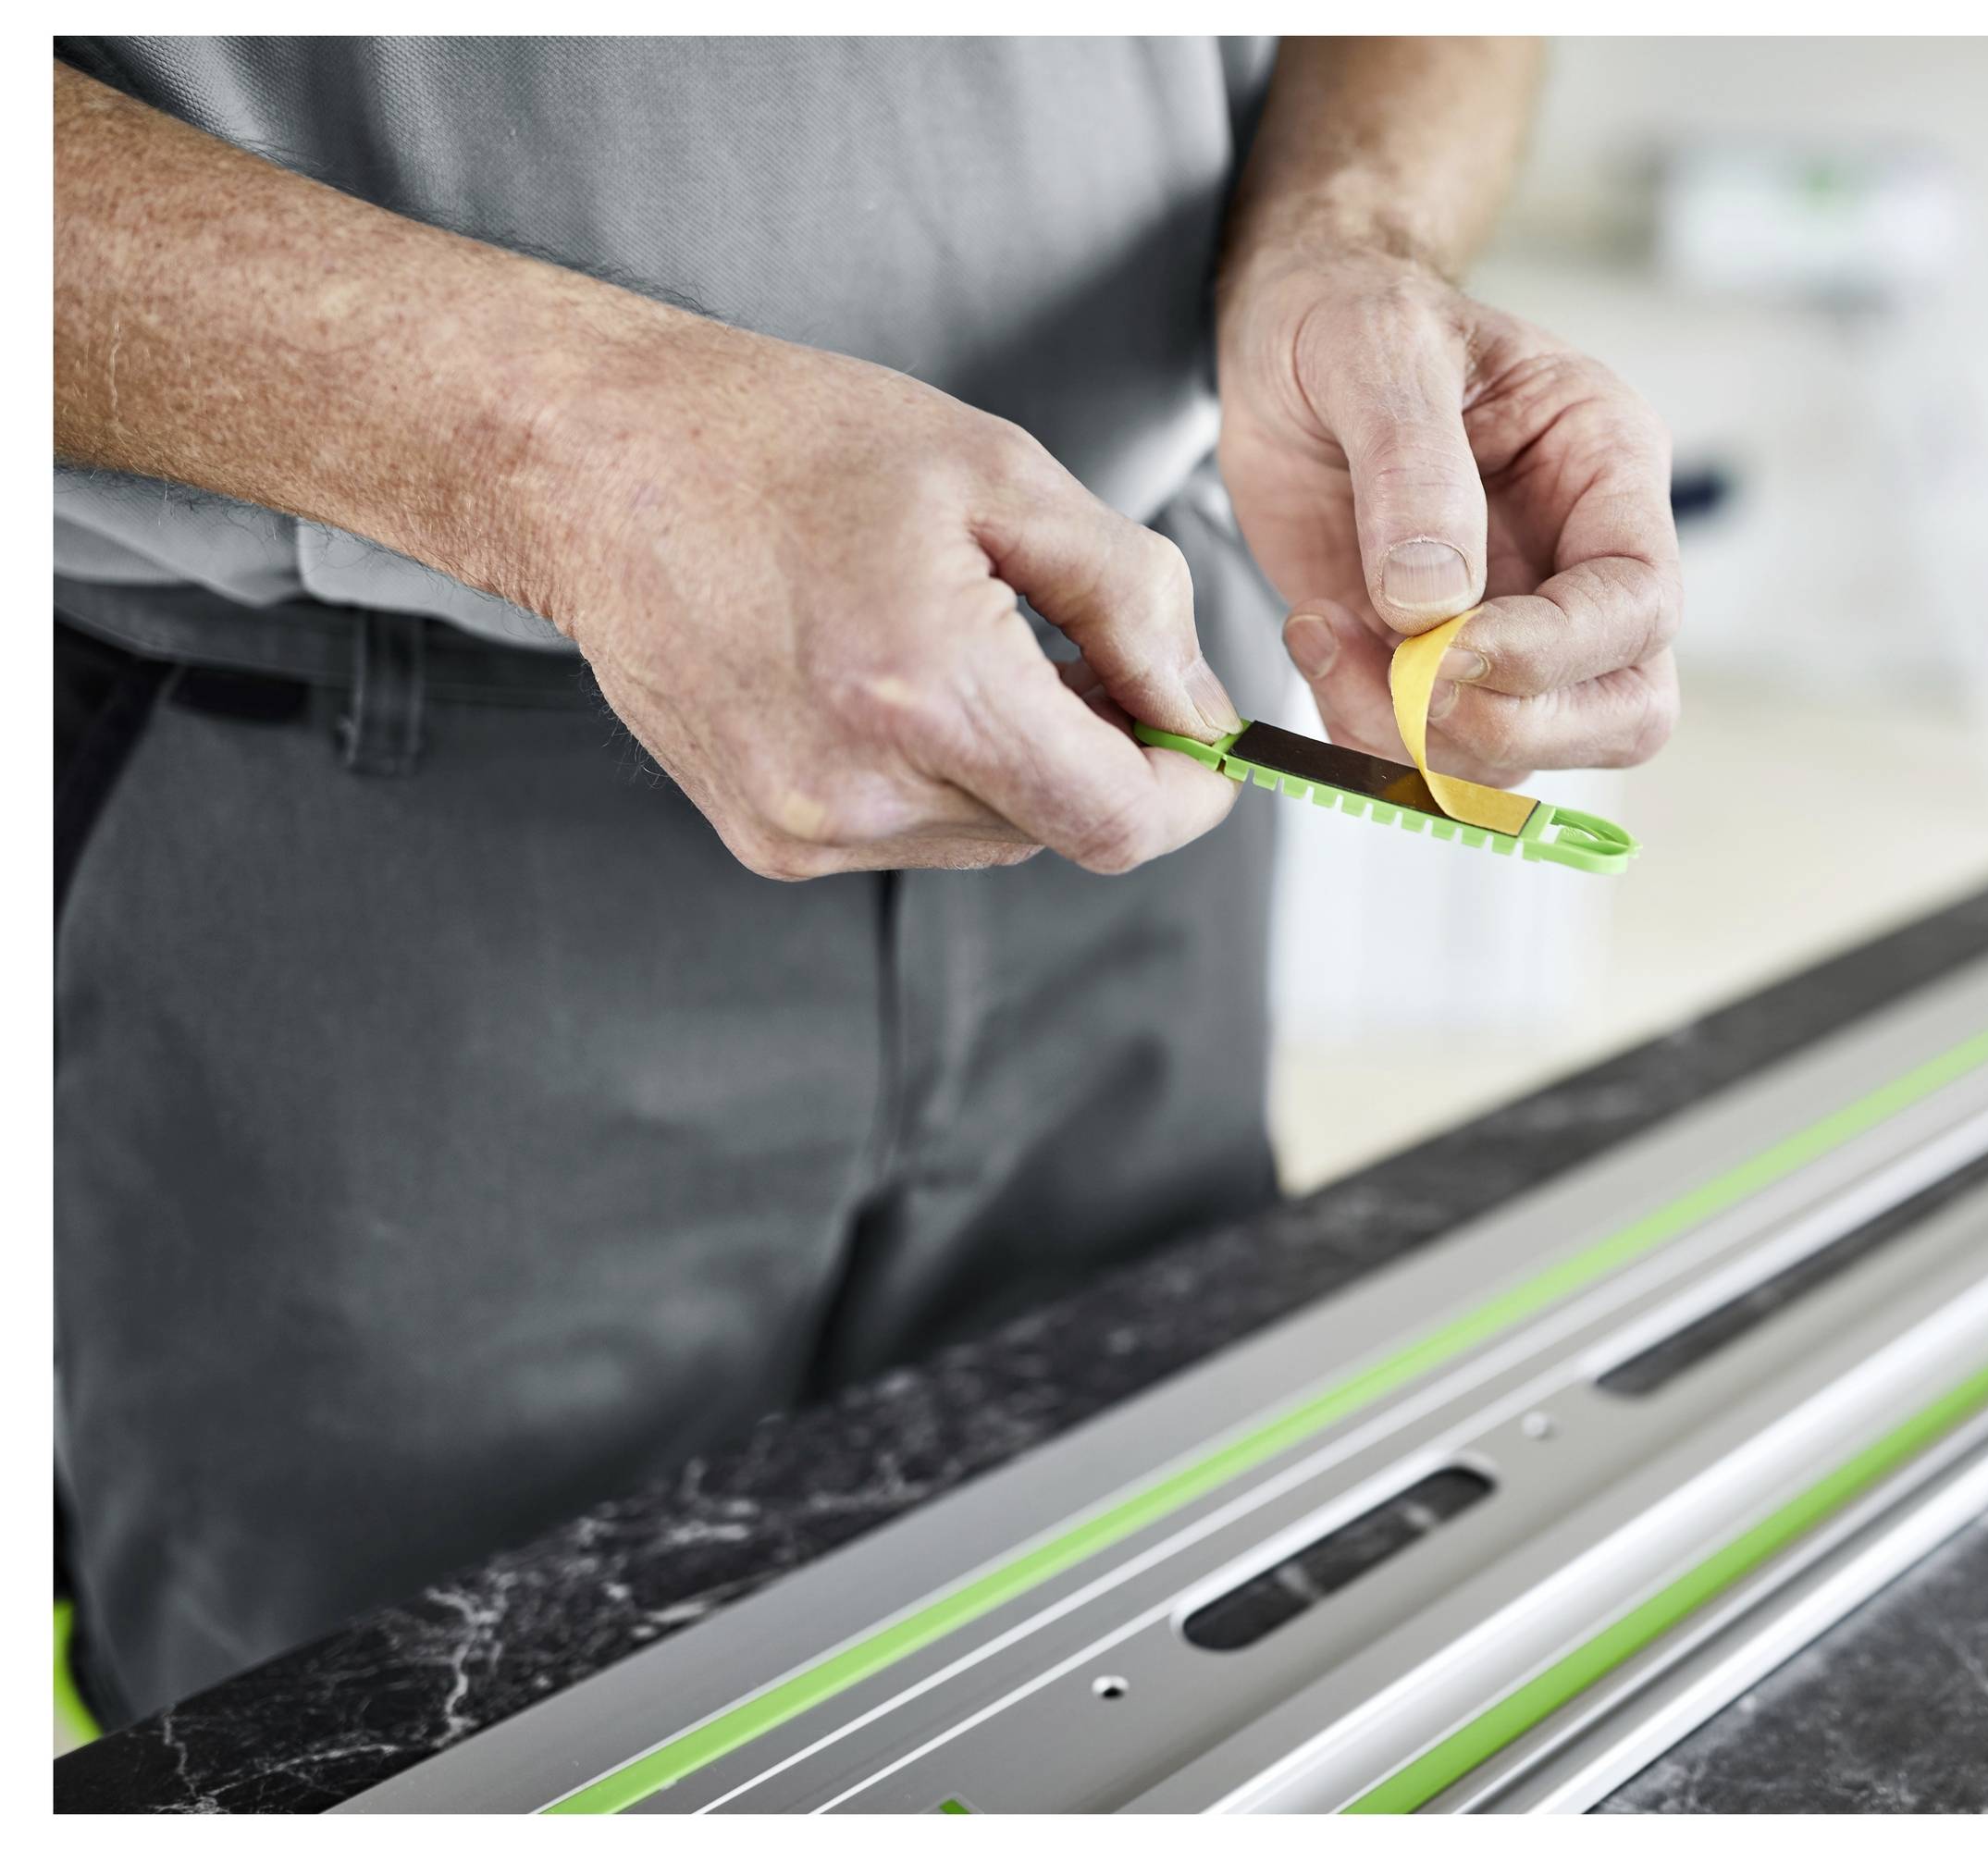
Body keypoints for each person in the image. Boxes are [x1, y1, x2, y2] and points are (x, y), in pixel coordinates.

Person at [51, 35, 1681, 1726]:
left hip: (1130, 731)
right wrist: (574, 451)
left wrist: (1352, 230)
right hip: (350, 807)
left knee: (1138, 1636)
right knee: (410, 1735)